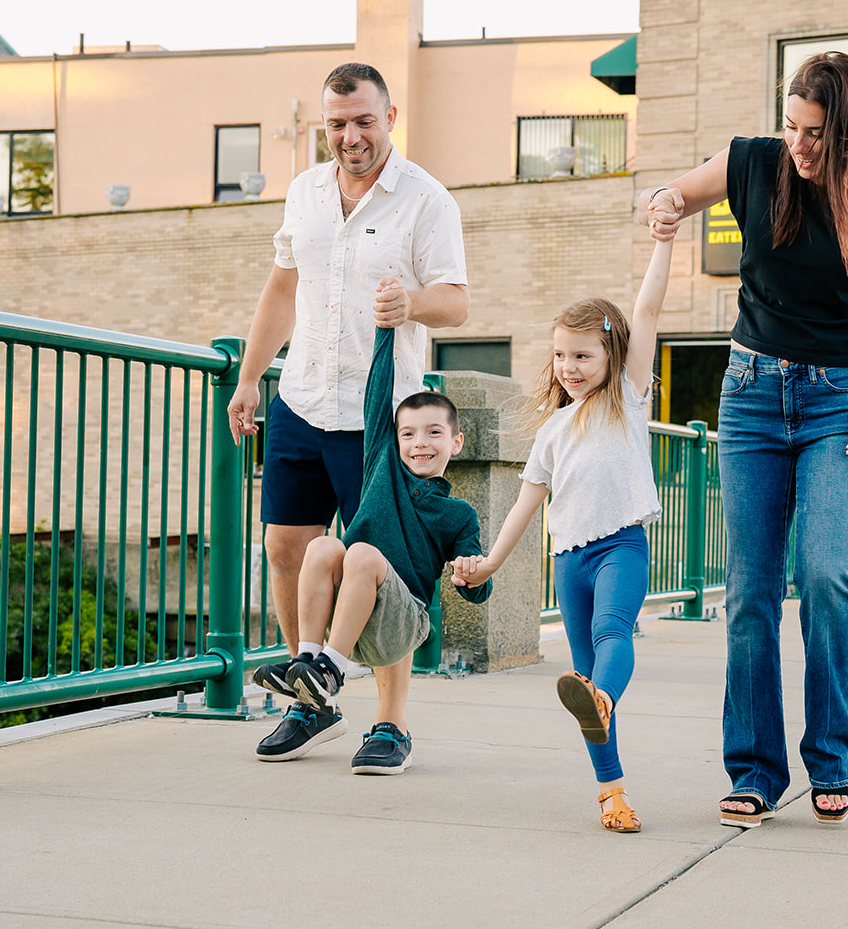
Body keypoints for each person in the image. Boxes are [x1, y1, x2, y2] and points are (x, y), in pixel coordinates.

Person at [639, 51, 848, 827]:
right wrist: (664, 202)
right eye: (792, 127)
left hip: (842, 399)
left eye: (817, 135)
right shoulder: (753, 163)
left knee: (828, 573)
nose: (799, 147)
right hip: (750, 396)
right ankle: (756, 769)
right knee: (751, 590)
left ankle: (833, 757)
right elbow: (679, 190)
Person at [227, 63, 470, 763]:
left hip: (380, 413)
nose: (350, 136)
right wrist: (250, 378)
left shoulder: (427, 200)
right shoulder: (304, 192)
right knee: (284, 549)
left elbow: (456, 300)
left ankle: (390, 722)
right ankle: (311, 702)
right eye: (337, 124)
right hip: (302, 397)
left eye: (363, 120)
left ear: (390, 118)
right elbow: (281, 288)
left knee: (380, 562)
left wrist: (413, 304)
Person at [450, 222, 677, 833]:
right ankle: (613, 793)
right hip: (568, 562)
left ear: (612, 356)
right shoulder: (551, 431)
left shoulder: (628, 399)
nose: (569, 367)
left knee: (612, 635)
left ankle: (603, 697)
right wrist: (491, 563)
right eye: (560, 355)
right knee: (585, 685)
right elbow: (525, 505)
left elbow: (648, 307)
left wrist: (664, 240)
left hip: (621, 547)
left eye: (583, 355)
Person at [253, 313, 491, 773]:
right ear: (393, 439)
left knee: (359, 551)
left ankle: (332, 673)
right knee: (322, 547)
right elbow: (379, 388)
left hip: (401, 626)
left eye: (434, 433)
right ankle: (308, 663)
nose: (419, 443)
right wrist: (383, 328)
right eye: (408, 434)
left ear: (457, 442)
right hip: (354, 619)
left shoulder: (458, 514)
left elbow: (478, 586)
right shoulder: (381, 465)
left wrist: (470, 576)